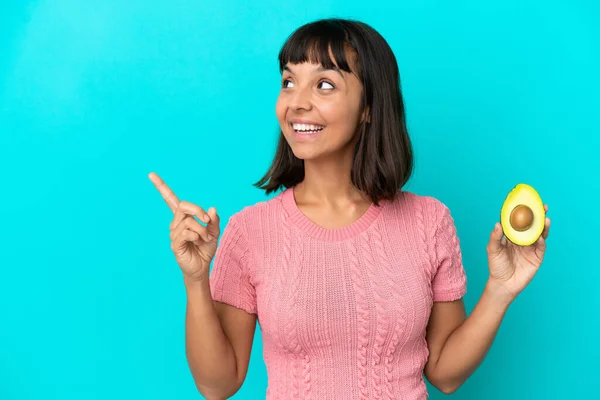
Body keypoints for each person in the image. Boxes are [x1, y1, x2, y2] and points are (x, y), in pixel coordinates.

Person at [149, 18, 551, 400]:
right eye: (288, 82)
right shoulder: (250, 230)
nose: (297, 103)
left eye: (324, 84)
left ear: (369, 107)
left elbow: (445, 374)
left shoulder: (429, 221)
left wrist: (500, 290)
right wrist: (196, 281)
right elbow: (218, 385)